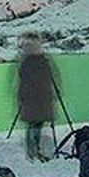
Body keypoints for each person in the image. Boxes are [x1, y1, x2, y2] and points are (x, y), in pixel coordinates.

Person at [17, 33, 58, 161]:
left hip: (30, 98)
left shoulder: (25, 62)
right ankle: (35, 150)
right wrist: (55, 92)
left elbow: (23, 81)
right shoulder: (43, 61)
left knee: (32, 124)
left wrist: (21, 96)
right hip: (42, 97)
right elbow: (51, 78)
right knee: (37, 124)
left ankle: (32, 150)